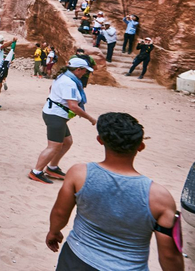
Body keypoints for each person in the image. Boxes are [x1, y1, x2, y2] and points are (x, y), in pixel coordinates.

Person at [45, 112, 184, 271]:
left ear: (100, 140)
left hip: (76, 259)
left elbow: (60, 212)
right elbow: (169, 255)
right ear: (141, 146)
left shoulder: (79, 174)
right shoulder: (160, 198)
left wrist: (54, 232)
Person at [29, 58, 98, 184]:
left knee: (67, 142)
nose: (85, 74)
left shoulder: (64, 76)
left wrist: (56, 98)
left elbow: (51, 88)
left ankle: (52, 168)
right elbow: (73, 106)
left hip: (55, 113)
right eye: (84, 71)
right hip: (56, 116)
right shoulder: (69, 83)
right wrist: (90, 118)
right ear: (78, 69)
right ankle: (36, 172)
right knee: (54, 146)